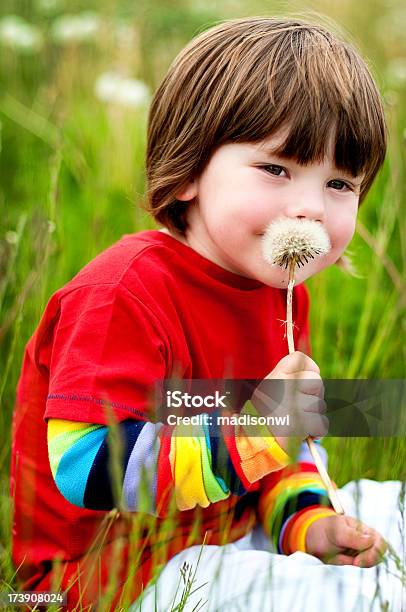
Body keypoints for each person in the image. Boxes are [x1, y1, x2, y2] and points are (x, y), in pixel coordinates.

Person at [11, 16, 397, 612]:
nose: (310, 208)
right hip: (109, 574)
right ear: (189, 170)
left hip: (226, 539)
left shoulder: (282, 293)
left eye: (341, 183)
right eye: (276, 169)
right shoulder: (124, 294)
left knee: (388, 511)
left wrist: (309, 525)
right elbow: (85, 469)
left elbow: (274, 460)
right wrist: (257, 431)